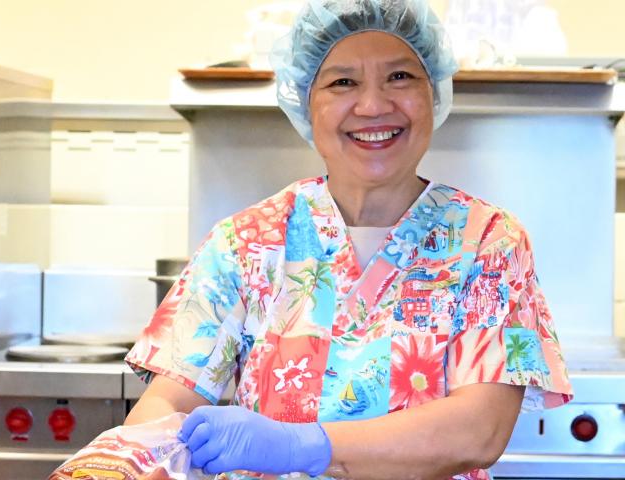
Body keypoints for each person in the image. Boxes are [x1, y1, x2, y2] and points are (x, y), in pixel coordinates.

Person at [124, 1, 573, 479]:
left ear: (434, 93)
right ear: (304, 101)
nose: (374, 105)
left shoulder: (488, 242)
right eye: (342, 82)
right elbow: (167, 404)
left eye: (400, 77)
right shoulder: (246, 242)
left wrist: (301, 446)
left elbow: (480, 429)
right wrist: (124, 460)